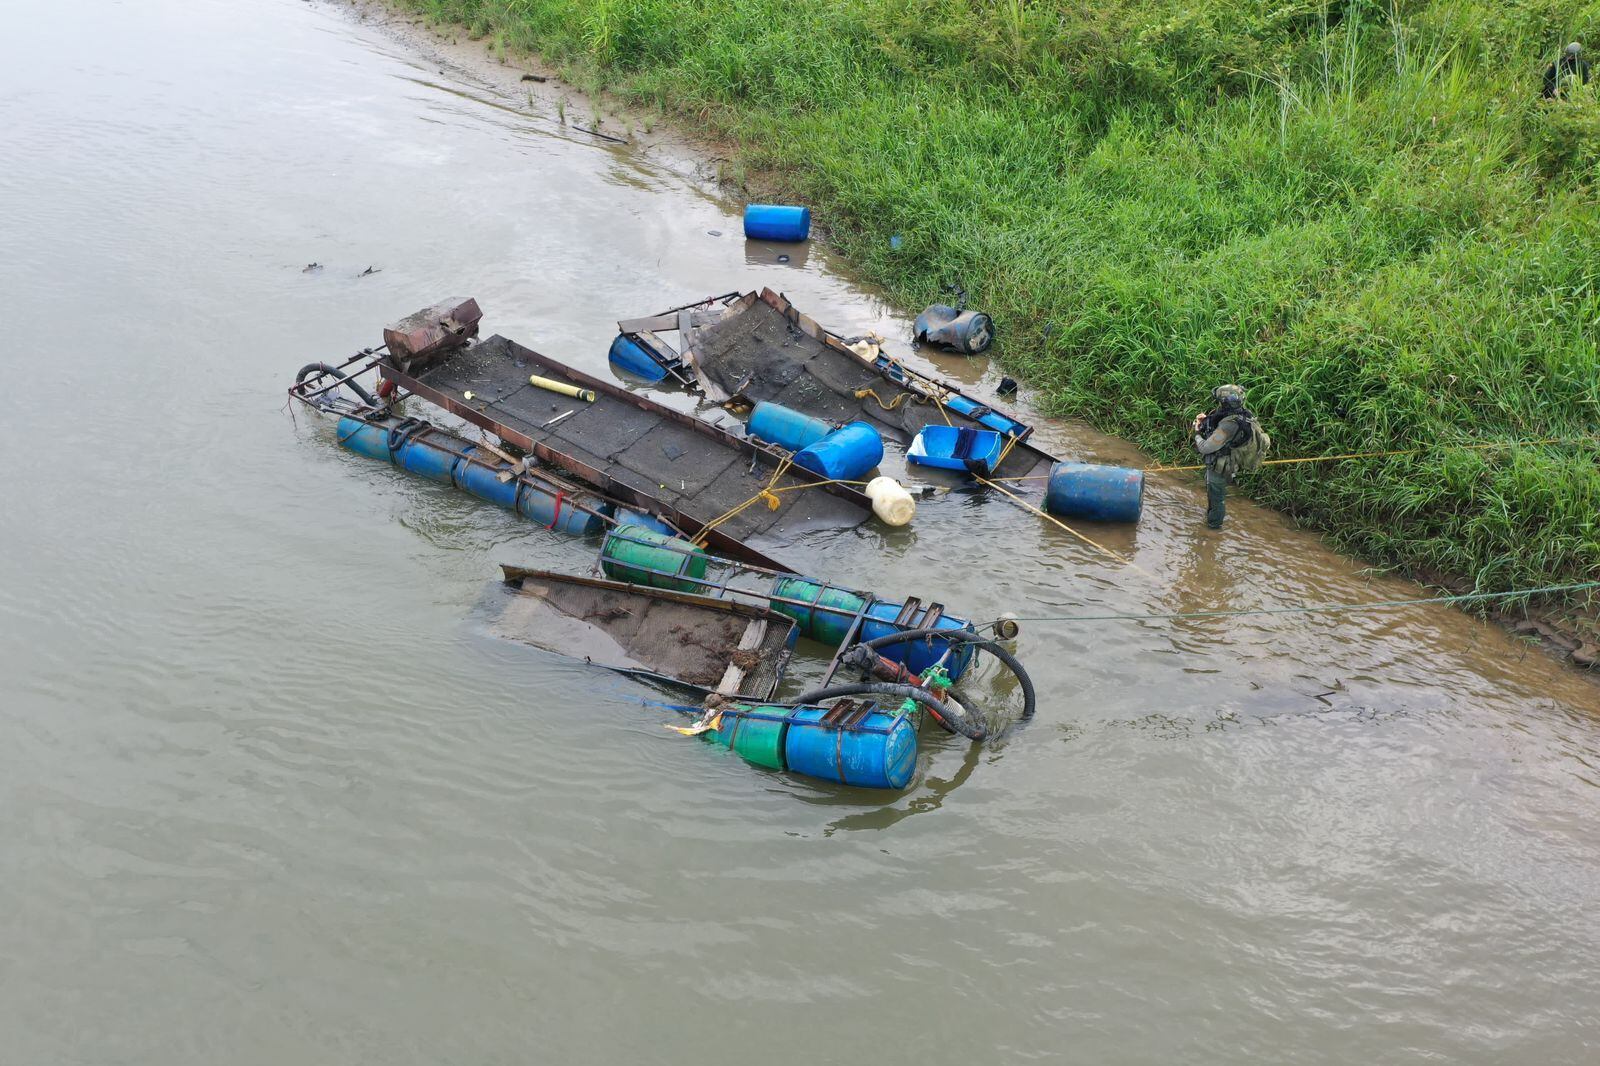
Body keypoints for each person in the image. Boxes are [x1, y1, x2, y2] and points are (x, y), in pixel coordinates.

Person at [1192, 384, 1269, 530]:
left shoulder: (1229, 425)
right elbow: (1218, 423)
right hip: (1224, 460)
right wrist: (1206, 420)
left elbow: (1205, 448)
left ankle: (1213, 530)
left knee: (1217, 498)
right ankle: (1212, 518)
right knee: (1214, 495)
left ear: (1225, 402)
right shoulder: (1243, 414)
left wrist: (1196, 433)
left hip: (1222, 466)